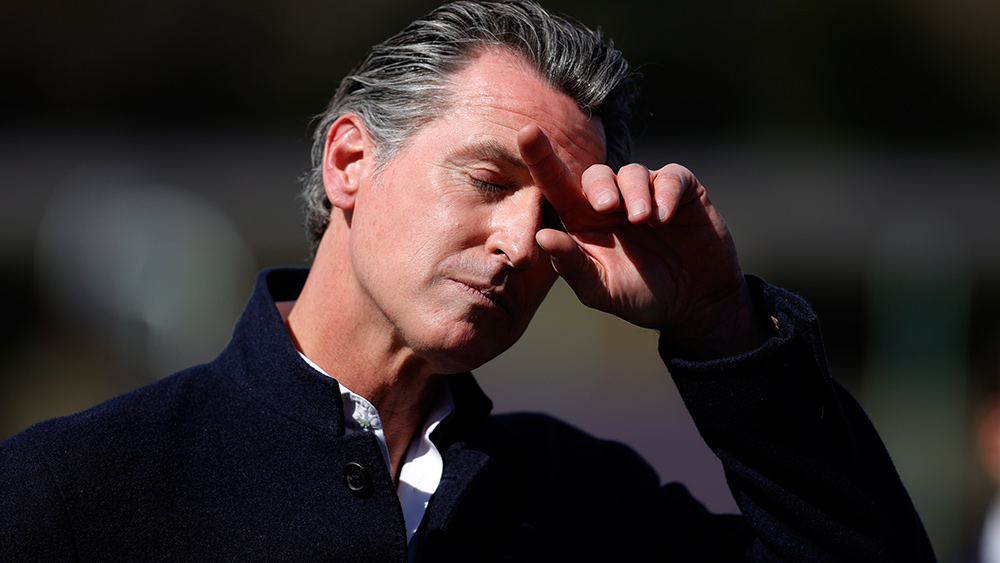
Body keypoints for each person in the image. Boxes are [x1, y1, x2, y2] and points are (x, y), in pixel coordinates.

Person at [1, 1, 934, 561]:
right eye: (489, 181)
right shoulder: (74, 489)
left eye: (557, 213)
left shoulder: (589, 503)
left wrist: (723, 324)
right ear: (350, 161)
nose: (522, 241)